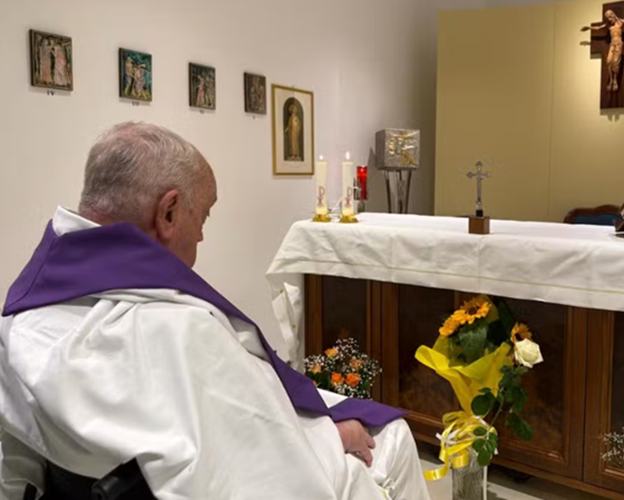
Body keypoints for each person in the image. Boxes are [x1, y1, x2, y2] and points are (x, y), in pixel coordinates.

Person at [0, 122, 429, 499]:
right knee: (392, 437)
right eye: (203, 216)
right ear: (167, 213)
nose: (202, 237)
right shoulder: (179, 329)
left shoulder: (23, 315)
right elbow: (261, 460)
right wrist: (331, 437)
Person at [582, 10, 624, 92]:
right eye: (607, 18)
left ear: (614, 15)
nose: (609, 19)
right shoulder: (608, 25)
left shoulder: (621, 22)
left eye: (610, 17)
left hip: (618, 44)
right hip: (612, 44)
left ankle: (615, 80)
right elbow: (598, 28)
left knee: (615, 62)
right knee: (608, 61)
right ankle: (611, 80)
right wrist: (588, 28)